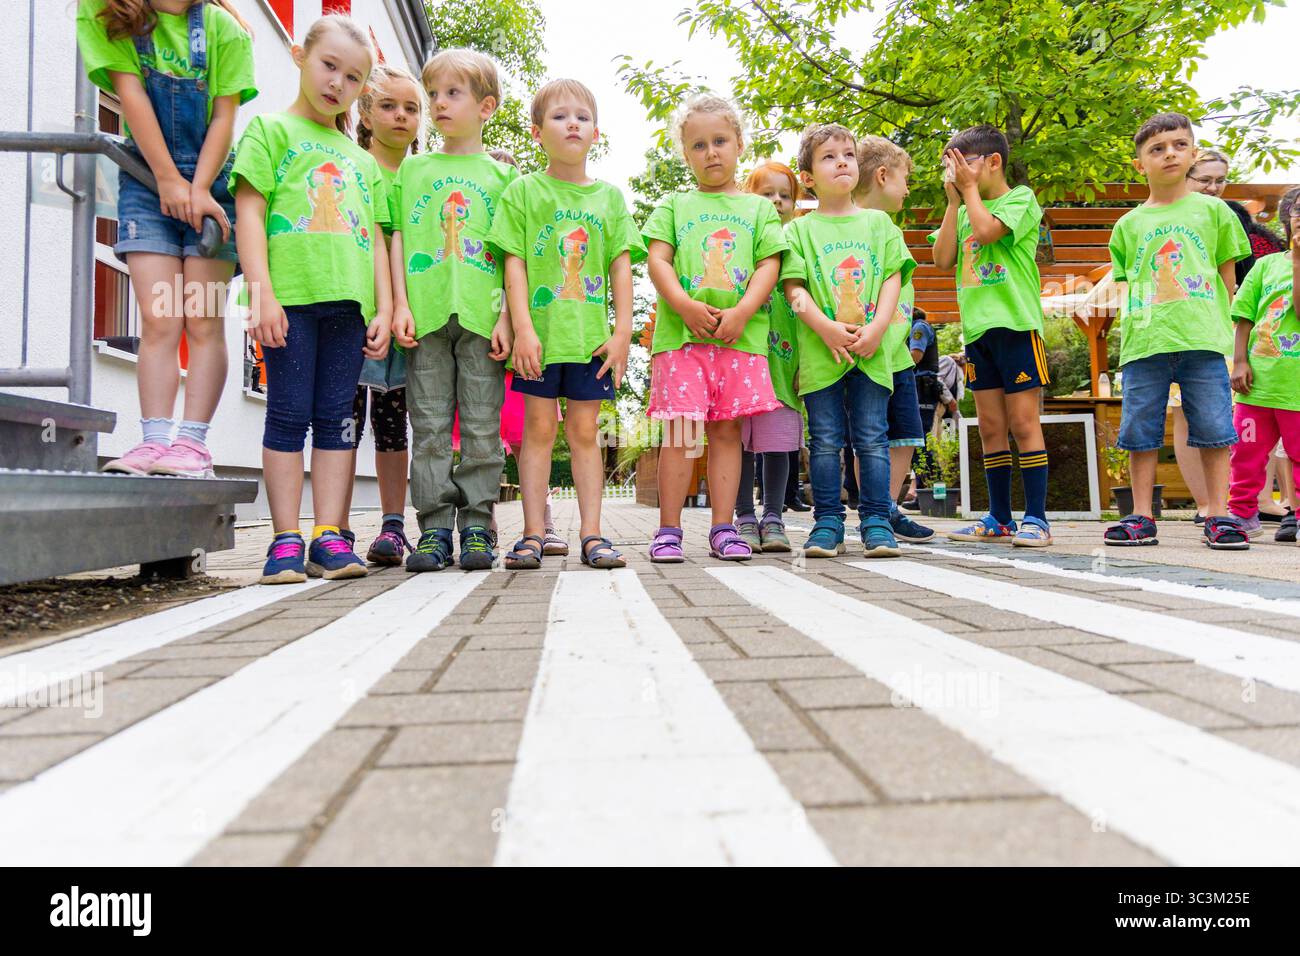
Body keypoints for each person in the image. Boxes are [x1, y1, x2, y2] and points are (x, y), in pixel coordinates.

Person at [232, 14, 393, 583]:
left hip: (348, 309)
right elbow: (247, 212)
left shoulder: (362, 160)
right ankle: (283, 540)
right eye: (329, 67)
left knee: (335, 420)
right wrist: (262, 293)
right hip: (291, 302)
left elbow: (374, 236)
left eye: (352, 79)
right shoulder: (269, 132)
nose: (337, 85)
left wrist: (384, 307)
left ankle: (329, 534)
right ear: (300, 56)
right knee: (287, 414)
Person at [76, 0, 256, 478]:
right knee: (159, 319)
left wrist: (196, 188)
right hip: (145, 182)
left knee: (202, 320)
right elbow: (131, 97)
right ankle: (154, 441)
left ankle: (192, 445)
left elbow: (223, 118)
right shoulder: (105, 12)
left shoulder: (223, 29)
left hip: (214, 187)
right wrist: (169, 181)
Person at [489, 79, 644, 569]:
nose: (571, 122)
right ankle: (533, 533)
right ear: (537, 132)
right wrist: (523, 329)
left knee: (584, 434)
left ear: (596, 132)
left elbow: (622, 265)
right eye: (559, 116)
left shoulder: (610, 199)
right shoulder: (524, 191)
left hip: (590, 342)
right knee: (536, 432)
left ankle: (593, 534)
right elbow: (512, 263)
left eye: (581, 115)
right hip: (540, 340)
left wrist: (622, 334)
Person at [390, 49, 519, 572]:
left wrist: (509, 314)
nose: (439, 103)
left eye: (453, 93)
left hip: (482, 318)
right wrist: (399, 303)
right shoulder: (413, 169)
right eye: (434, 94)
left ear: (486, 107)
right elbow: (398, 237)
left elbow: (515, 255)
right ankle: (435, 529)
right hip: (425, 319)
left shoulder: (503, 178)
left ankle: (478, 527)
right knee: (429, 425)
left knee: (484, 428)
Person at [643, 93, 787, 562]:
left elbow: (769, 265)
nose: (711, 153)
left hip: (739, 340)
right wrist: (683, 305)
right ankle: (668, 530)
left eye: (720, 141)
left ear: (739, 143)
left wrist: (744, 310)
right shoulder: (673, 204)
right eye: (699, 145)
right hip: (682, 340)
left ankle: (724, 528)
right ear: (686, 154)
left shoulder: (759, 210)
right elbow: (657, 260)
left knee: (727, 435)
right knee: (682, 435)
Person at [1103, 112, 1249, 549]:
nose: (1170, 154)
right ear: (1139, 164)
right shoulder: (1128, 225)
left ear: (1192, 153)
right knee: (1139, 430)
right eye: (1157, 149)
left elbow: (1228, 281)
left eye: (1179, 145)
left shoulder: (1216, 212)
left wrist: (1229, 341)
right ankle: (1141, 515)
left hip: (1204, 339)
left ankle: (1218, 515)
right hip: (1146, 342)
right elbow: (1128, 286)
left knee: (1215, 427)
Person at [783, 123, 912, 558]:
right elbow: (794, 291)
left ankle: (876, 520)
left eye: (848, 154)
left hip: (872, 353)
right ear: (807, 177)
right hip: (821, 355)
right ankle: (827, 524)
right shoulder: (798, 232)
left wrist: (877, 329)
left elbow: (893, 278)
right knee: (823, 440)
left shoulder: (880, 224)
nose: (842, 161)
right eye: (828, 156)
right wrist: (824, 327)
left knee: (873, 437)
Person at [931, 124, 1052, 547]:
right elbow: (942, 257)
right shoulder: (964, 208)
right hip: (979, 335)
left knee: (1023, 423)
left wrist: (968, 195)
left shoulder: (1020, 199)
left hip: (1017, 329)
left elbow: (986, 233)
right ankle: (999, 516)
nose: (955, 173)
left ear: (992, 162)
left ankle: (1036, 518)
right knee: (990, 426)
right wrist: (953, 203)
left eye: (962, 164)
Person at [340, 63, 424, 566]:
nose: (400, 116)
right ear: (366, 113)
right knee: (342, 424)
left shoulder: (422, 176)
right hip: (353, 316)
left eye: (411, 108)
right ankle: (337, 524)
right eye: (388, 105)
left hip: (409, 323)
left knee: (395, 427)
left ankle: (393, 526)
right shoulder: (350, 164)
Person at [1186, 149, 1291, 524]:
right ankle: (1209, 504)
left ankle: (1257, 502)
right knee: (1195, 413)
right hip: (1192, 326)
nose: (1213, 187)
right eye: (1205, 179)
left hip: (1239, 330)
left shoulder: (1234, 216)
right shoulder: (1172, 216)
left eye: (1220, 179)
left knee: (1250, 422)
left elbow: (1243, 274)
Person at [854, 134, 934, 542]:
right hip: (866, 352)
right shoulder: (855, 228)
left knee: (905, 431)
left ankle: (886, 505)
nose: (907, 190)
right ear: (882, 175)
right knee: (867, 435)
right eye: (905, 180)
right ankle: (876, 507)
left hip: (898, 353)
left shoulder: (891, 229)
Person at [732, 160, 804, 553]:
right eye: (767, 194)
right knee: (740, 442)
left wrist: (806, 364)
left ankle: (773, 515)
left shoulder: (796, 244)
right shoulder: (743, 242)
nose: (777, 202)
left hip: (784, 363)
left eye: (785, 195)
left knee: (777, 442)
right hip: (744, 358)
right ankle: (744, 515)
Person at [1227, 188, 1300, 540]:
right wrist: (1239, 361)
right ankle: (1241, 515)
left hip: (1294, 389)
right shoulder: (1266, 265)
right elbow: (1244, 315)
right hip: (1256, 385)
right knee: (1246, 452)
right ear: (1287, 218)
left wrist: (1298, 262)